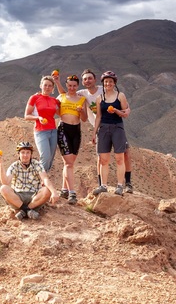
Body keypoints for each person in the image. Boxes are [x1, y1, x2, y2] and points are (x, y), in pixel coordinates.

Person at [55, 69, 134, 193]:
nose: (87, 81)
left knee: (125, 153)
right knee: (101, 157)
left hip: (115, 125)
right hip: (99, 127)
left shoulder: (104, 89)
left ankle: (128, 183)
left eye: (90, 78)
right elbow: (67, 93)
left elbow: (124, 106)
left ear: (95, 80)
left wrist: (126, 111)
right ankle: (102, 185)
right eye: (85, 79)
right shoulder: (82, 93)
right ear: (82, 81)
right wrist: (57, 82)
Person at [0, 141, 59, 221]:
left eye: (28, 153)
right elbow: (5, 182)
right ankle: (28, 210)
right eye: (22, 152)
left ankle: (23, 211)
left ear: (31, 154)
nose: (25, 155)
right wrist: (1, 164)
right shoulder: (14, 166)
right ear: (18, 154)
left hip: (34, 197)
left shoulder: (37, 164)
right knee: (3, 188)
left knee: (47, 190)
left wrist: (53, 191)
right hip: (18, 197)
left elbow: (45, 178)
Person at [92, 71, 130, 196]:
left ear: (114, 83)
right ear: (103, 83)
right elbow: (98, 116)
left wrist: (116, 111)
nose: (108, 83)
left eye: (110, 81)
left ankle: (120, 186)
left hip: (117, 128)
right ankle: (103, 185)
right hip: (103, 128)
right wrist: (94, 133)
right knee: (103, 159)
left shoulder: (120, 96)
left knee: (119, 158)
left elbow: (125, 114)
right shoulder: (100, 98)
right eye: (106, 81)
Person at [55, 75, 87, 205]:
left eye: (74, 86)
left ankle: (64, 189)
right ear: (66, 85)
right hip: (63, 129)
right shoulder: (61, 97)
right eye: (69, 85)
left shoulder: (81, 99)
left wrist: (81, 111)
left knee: (70, 163)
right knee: (68, 163)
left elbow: (84, 119)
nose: (72, 88)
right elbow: (56, 111)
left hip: (76, 131)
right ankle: (72, 193)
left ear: (77, 86)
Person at [24, 75, 60, 172]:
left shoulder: (54, 101)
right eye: (45, 85)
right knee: (45, 157)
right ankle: (36, 181)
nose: (47, 87)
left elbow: (61, 112)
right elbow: (26, 116)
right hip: (40, 131)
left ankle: (43, 182)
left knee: (51, 158)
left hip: (53, 131)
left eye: (50, 86)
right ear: (41, 85)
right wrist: (38, 118)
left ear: (53, 88)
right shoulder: (34, 98)